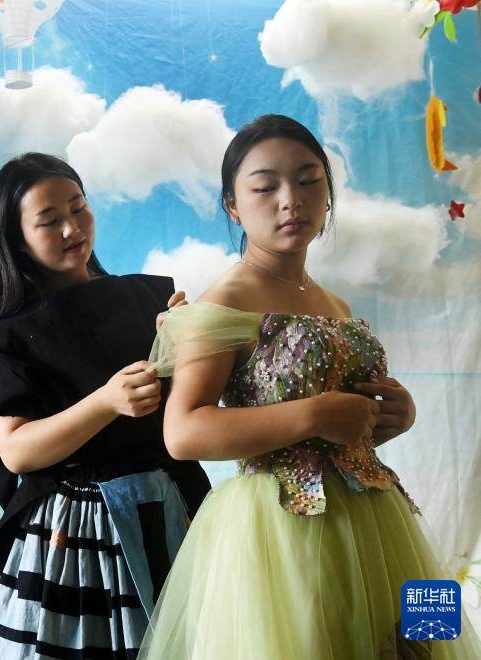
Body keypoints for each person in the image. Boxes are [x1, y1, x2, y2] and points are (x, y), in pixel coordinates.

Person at [140, 115, 480, 659]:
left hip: (382, 517)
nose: (290, 200)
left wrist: (397, 412)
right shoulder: (224, 300)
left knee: (428, 645)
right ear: (233, 206)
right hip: (283, 531)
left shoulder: (333, 302)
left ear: (328, 191)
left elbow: (353, 416)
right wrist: (315, 416)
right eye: (264, 187)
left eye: (307, 180)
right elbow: (183, 432)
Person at [0, 153, 212, 658]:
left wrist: (186, 346)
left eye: (79, 207)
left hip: (174, 507)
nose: (72, 228)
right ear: (16, 240)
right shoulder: (4, 339)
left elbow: (189, 411)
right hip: (75, 534)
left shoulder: (148, 299)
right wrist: (107, 401)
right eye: (49, 220)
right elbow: (16, 452)